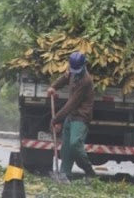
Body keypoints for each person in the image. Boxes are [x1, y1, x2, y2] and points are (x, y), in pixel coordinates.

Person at [47, 52, 96, 180]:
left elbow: (72, 103)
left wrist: (56, 119)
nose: (74, 71)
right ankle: (64, 174)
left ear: (84, 65)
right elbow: (65, 77)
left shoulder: (86, 80)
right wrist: (54, 87)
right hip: (70, 115)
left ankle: (89, 171)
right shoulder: (73, 70)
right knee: (66, 147)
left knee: (75, 145)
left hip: (81, 116)